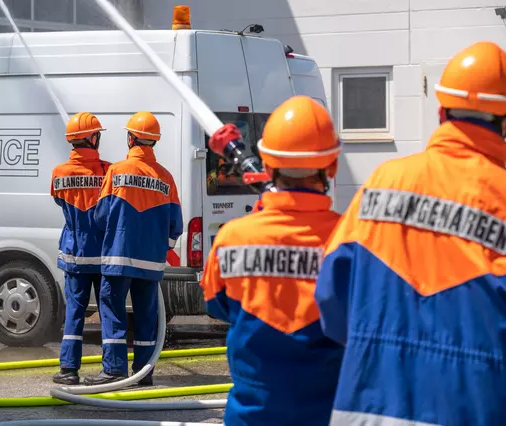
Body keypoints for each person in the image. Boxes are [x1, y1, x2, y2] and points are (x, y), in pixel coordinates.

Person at [315, 41, 506, 426]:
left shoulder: (384, 180)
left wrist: (376, 350)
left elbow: (331, 294)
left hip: (365, 404)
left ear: (441, 112)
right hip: (477, 407)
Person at [200, 96, 345, 426]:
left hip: (251, 415)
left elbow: (217, 305)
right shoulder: (351, 238)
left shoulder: (232, 237)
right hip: (328, 413)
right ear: (332, 166)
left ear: (266, 166)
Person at [85, 111, 183, 386]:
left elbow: (100, 217)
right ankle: (143, 372)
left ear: (130, 139)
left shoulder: (116, 171)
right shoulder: (166, 178)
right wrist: (159, 247)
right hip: (151, 263)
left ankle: (114, 370)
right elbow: (176, 225)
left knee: (113, 311)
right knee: (146, 317)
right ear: (155, 142)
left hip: (118, 257)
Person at [50, 112, 111, 385]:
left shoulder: (59, 173)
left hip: (74, 254)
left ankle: (68, 370)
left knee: (74, 313)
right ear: (92, 137)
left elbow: (60, 203)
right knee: (108, 311)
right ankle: (111, 368)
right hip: (103, 254)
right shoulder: (109, 171)